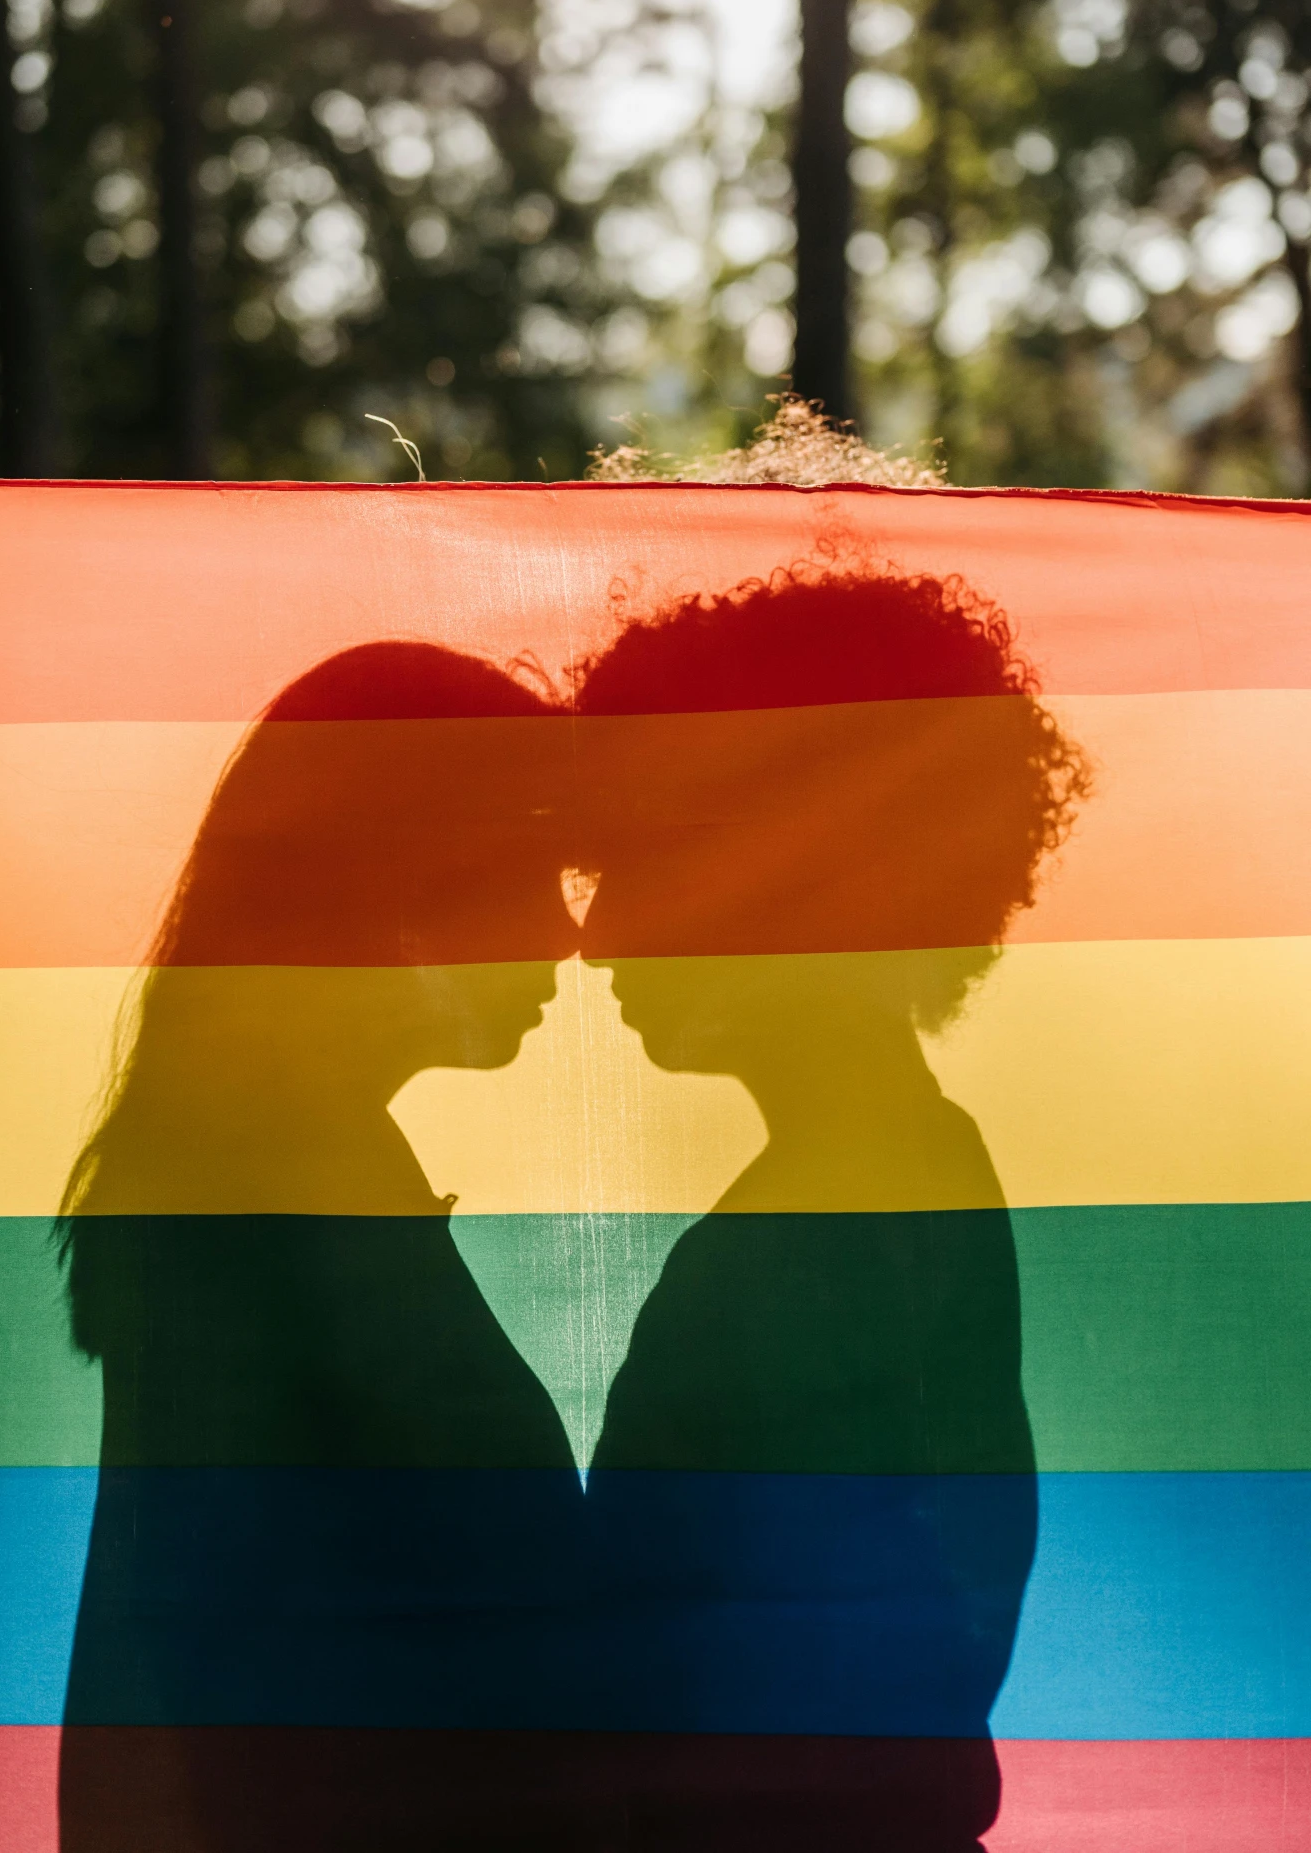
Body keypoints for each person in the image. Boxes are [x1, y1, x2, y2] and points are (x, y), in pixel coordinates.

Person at [573, 560, 1089, 1852]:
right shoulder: (910, 1171)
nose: (590, 938)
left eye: (634, 865)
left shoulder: (838, 1227)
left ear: (775, 875)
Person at [57, 641, 593, 1851]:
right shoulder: (276, 1201)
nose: (570, 937)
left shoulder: (285, 1173)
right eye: (532, 874)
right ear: (401, 881)